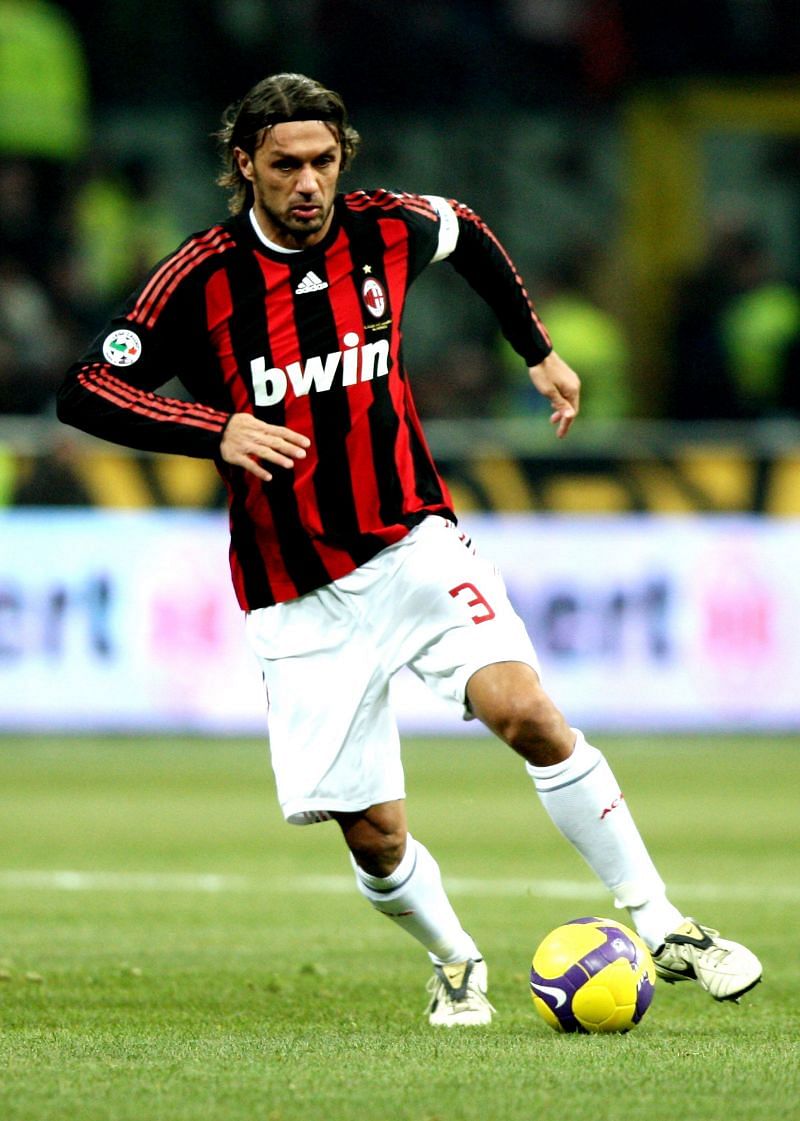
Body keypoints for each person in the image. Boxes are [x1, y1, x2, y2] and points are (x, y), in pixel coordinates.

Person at [57, 72, 762, 1026]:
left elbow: (467, 230)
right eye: (285, 165)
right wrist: (213, 427)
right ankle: (455, 957)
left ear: (342, 156)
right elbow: (87, 388)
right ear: (244, 165)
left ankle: (665, 921)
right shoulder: (201, 276)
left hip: (413, 543)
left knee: (527, 711)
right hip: (295, 588)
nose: (308, 183)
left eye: (323, 161)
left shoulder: (386, 228)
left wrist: (536, 348)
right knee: (375, 836)